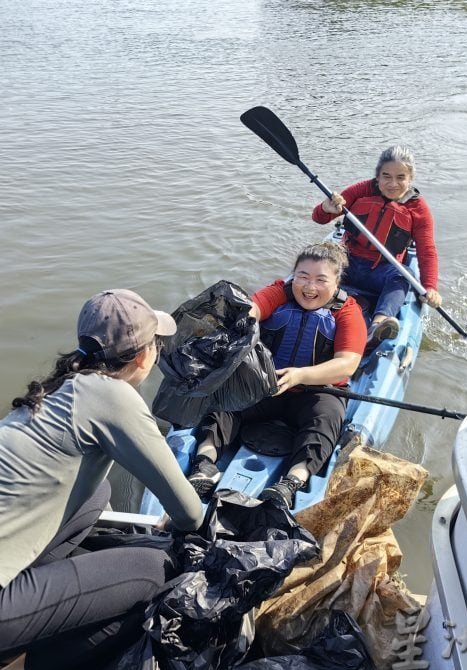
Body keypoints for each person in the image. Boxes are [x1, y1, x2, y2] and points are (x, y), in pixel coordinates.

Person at [0, 289, 204, 670]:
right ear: (143, 357)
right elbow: (190, 514)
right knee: (156, 570)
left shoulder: (62, 386)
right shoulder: (115, 397)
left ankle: (13, 628)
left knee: (95, 496)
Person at [186, 242, 367, 511]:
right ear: (293, 274)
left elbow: (347, 364)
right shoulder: (278, 292)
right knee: (224, 402)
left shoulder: (348, 312)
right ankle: (205, 465)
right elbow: (253, 309)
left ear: (337, 281)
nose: (309, 287)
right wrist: (243, 321)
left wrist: (302, 375)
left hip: (316, 390)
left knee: (326, 419)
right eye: (303, 277)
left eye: (320, 280)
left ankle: (291, 482)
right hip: (267, 383)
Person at [312, 145, 442, 349]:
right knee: (317, 263)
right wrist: (326, 208)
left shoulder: (418, 209)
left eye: (401, 177)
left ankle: (377, 327)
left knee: (404, 275)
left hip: (382, 271)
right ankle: (311, 306)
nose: (393, 184)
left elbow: (427, 252)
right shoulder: (361, 190)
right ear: (378, 176)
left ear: (410, 179)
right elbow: (319, 218)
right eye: (386, 176)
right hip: (347, 262)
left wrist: (431, 287)